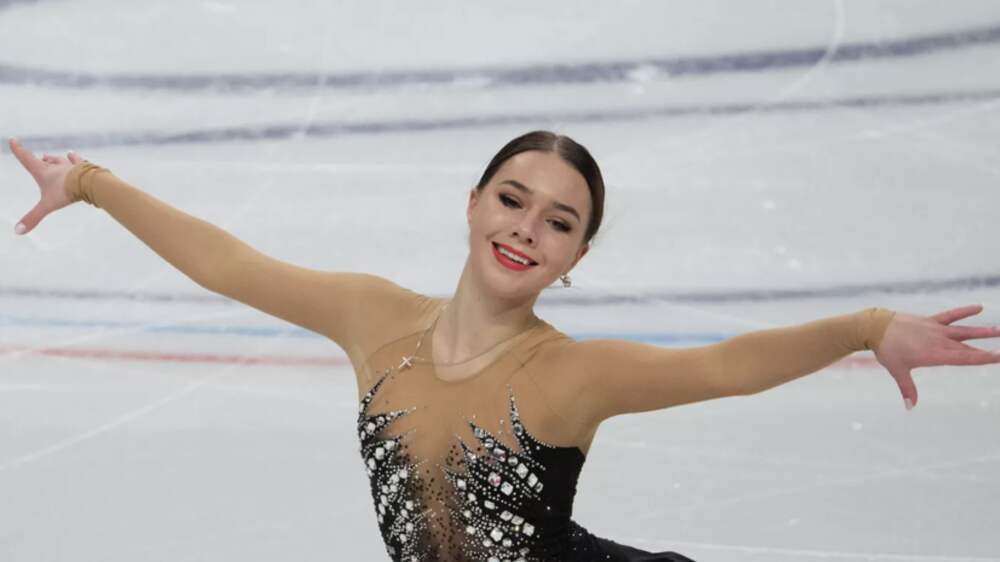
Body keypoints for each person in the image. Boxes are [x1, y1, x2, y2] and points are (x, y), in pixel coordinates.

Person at [7, 132, 999, 561]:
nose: (527, 229)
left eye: (559, 222)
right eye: (514, 200)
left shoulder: (569, 373)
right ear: (475, 202)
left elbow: (723, 366)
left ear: (574, 257)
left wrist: (867, 327)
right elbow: (231, 264)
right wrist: (88, 182)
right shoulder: (372, 317)